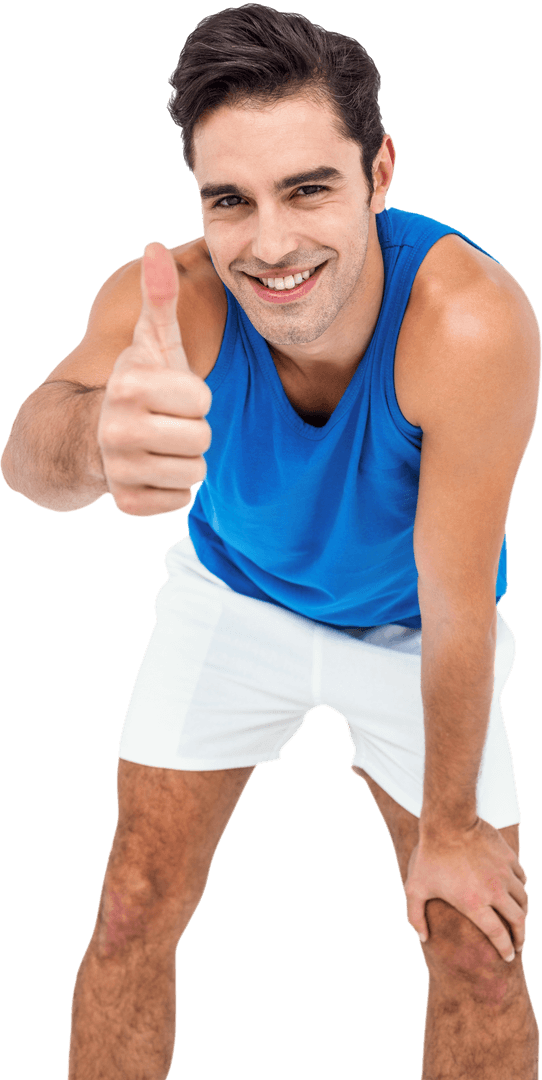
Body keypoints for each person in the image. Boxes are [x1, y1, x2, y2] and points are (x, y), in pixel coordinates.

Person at [1, 4, 540, 1077]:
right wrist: (96, 447)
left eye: (308, 187)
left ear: (377, 171)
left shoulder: (470, 324)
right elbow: (29, 454)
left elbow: (454, 598)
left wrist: (450, 825)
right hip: (234, 598)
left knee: (474, 944)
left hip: (410, 626)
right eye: (229, 202)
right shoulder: (180, 302)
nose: (271, 242)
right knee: (129, 909)